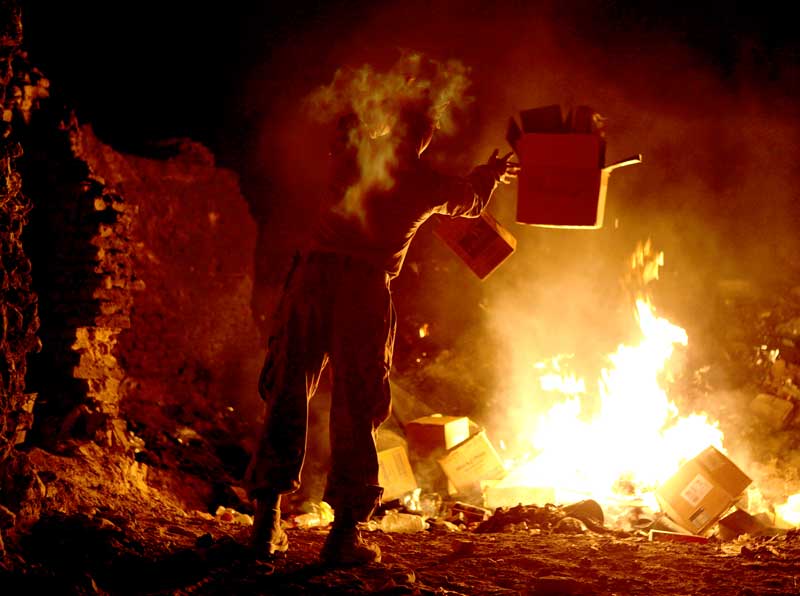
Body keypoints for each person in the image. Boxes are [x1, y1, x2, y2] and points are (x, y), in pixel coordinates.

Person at [246, 96, 519, 565]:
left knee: (287, 391)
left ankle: (266, 524)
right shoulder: (425, 182)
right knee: (357, 404)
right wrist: (489, 174)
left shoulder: (354, 153)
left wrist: (363, 109)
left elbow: (342, 125)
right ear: (425, 135)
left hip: (311, 280)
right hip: (362, 291)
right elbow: (471, 202)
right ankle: (342, 537)